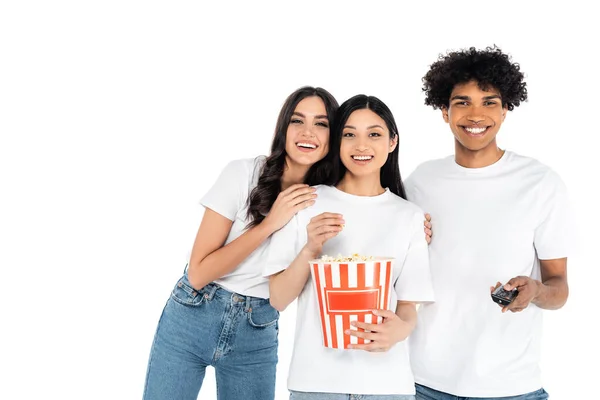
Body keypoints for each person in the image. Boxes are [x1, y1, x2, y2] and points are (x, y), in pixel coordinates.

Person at [142, 86, 340, 400]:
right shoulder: (243, 174)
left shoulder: (327, 199)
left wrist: (417, 224)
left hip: (257, 328)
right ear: (283, 128)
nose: (308, 132)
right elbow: (198, 273)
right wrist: (270, 224)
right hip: (194, 311)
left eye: (321, 123)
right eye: (297, 121)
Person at [405, 46, 572, 400]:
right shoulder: (421, 181)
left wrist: (535, 291)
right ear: (444, 111)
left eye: (489, 102)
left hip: (512, 387)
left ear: (506, 109)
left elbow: (559, 288)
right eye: (462, 102)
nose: (476, 115)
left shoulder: (540, 183)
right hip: (425, 384)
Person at [264, 94, 435, 400]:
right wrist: (310, 249)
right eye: (349, 134)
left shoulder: (409, 216)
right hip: (316, 384)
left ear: (392, 142)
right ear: (337, 142)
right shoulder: (305, 202)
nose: (361, 146)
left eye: (374, 134)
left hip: (388, 386)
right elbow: (277, 298)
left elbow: (410, 305)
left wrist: (401, 330)